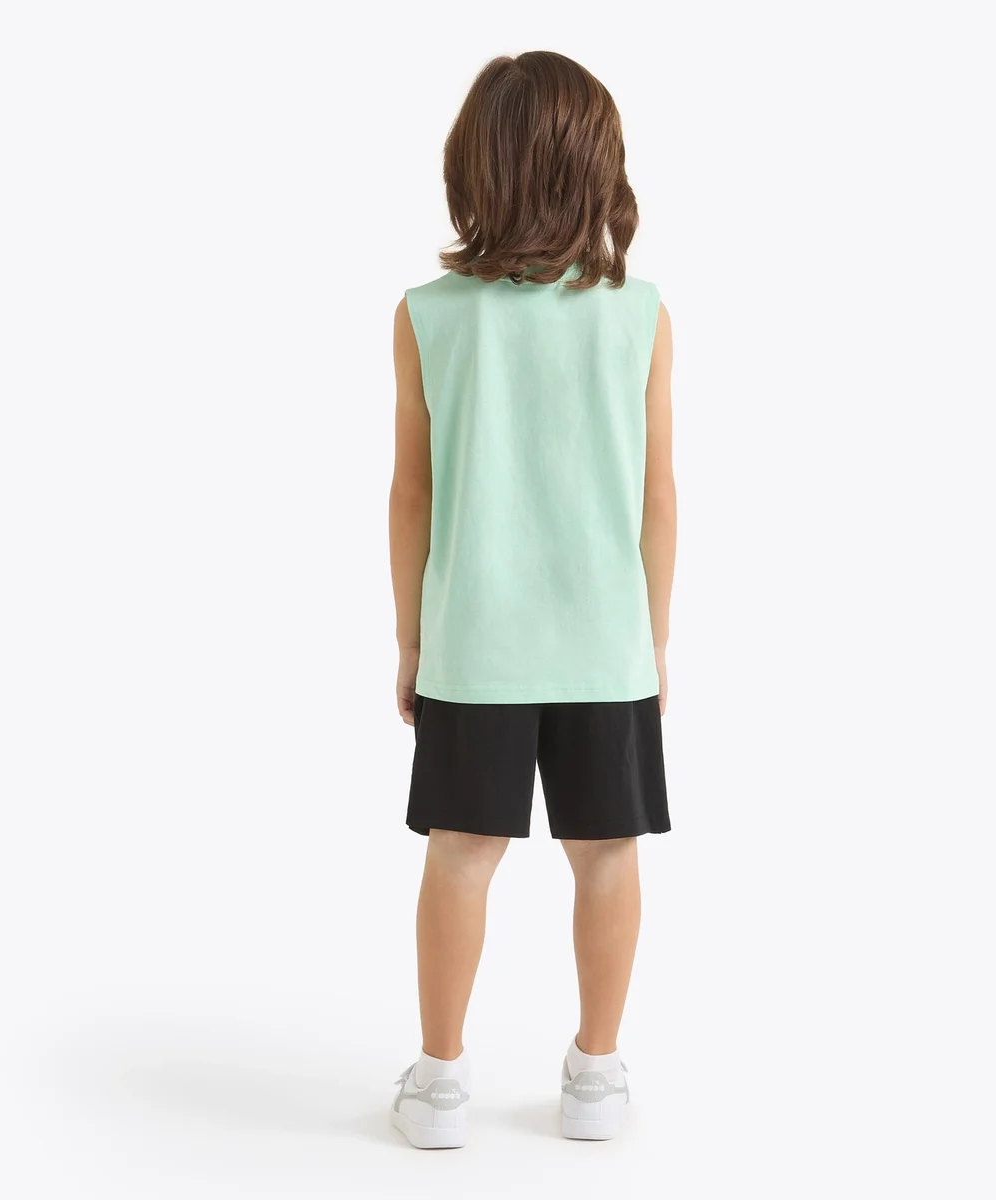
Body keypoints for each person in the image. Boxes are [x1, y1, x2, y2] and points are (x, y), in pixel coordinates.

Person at [387, 50, 676, 1149]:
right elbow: (658, 496)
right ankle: (594, 1077)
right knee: (606, 854)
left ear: (474, 168)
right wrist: (651, 643)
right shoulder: (639, 315)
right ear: (597, 169)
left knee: (460, 852)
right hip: (604, 643)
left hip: (475, 641)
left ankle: (439, 1085)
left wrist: (412, 641)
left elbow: (412, 493)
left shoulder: (427, 316)